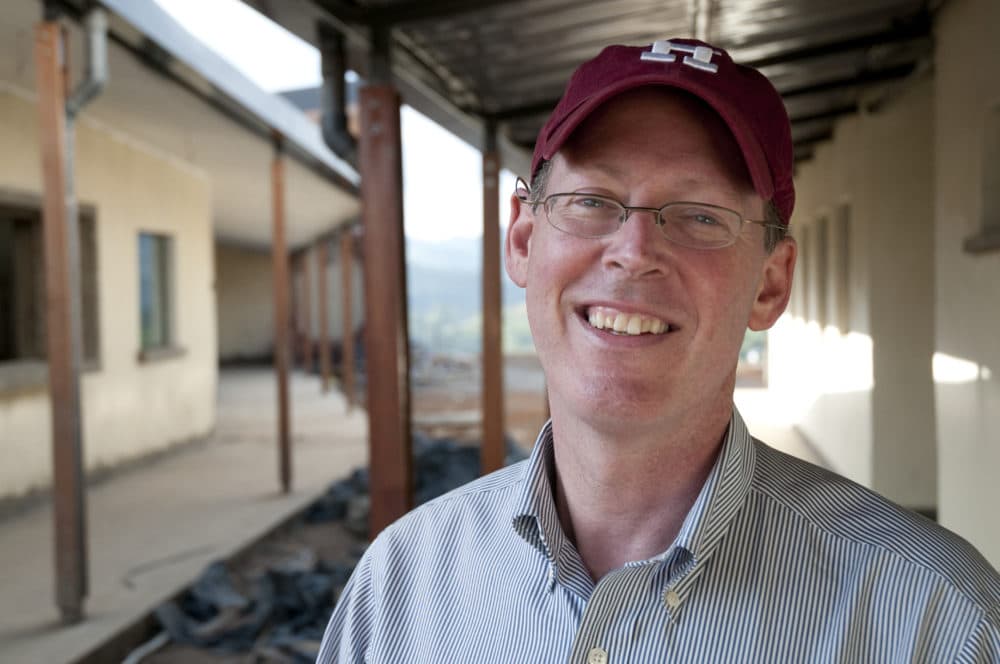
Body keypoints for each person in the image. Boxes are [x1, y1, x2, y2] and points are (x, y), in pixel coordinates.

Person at [317, 38, 999, 663]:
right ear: (522, 241)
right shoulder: (400, 588)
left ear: (771, 282)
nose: (635, 254)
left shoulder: (935, 621)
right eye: (592, 200)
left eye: (700, 215)